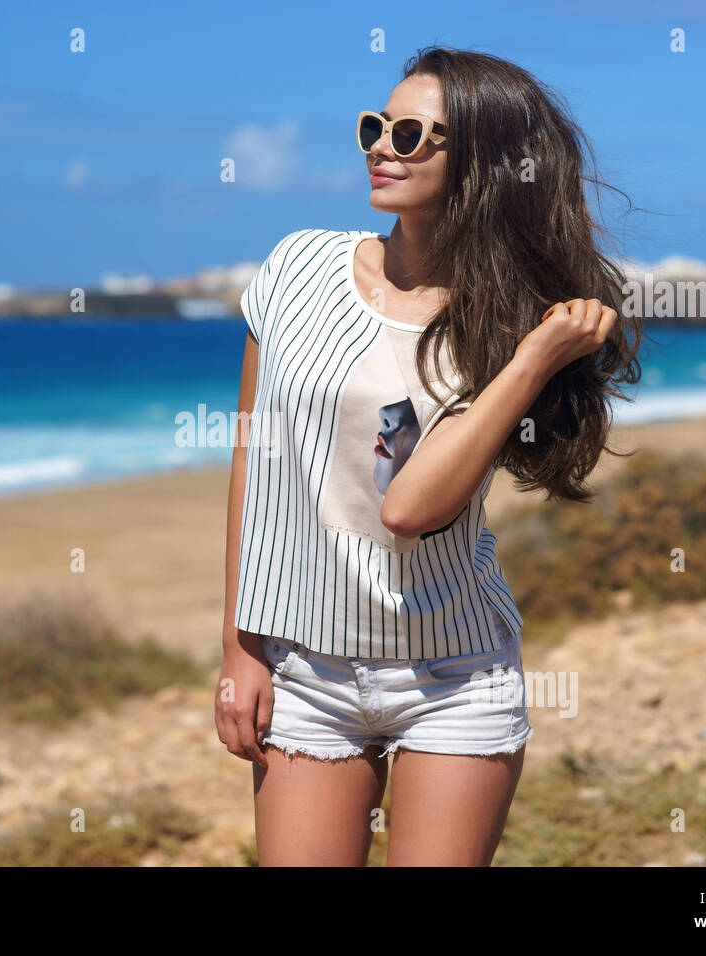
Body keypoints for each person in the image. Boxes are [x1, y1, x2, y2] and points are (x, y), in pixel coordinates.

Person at [215, 46, 645, 866]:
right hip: (305, 669)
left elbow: (410, 508)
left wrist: (530, 361)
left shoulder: (505, 326)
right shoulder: (295, 267)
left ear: (483, 161)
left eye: (412, 134)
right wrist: (240, 649)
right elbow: (251, 464)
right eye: (376, 125)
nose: (381, 145)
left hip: (452, 676)